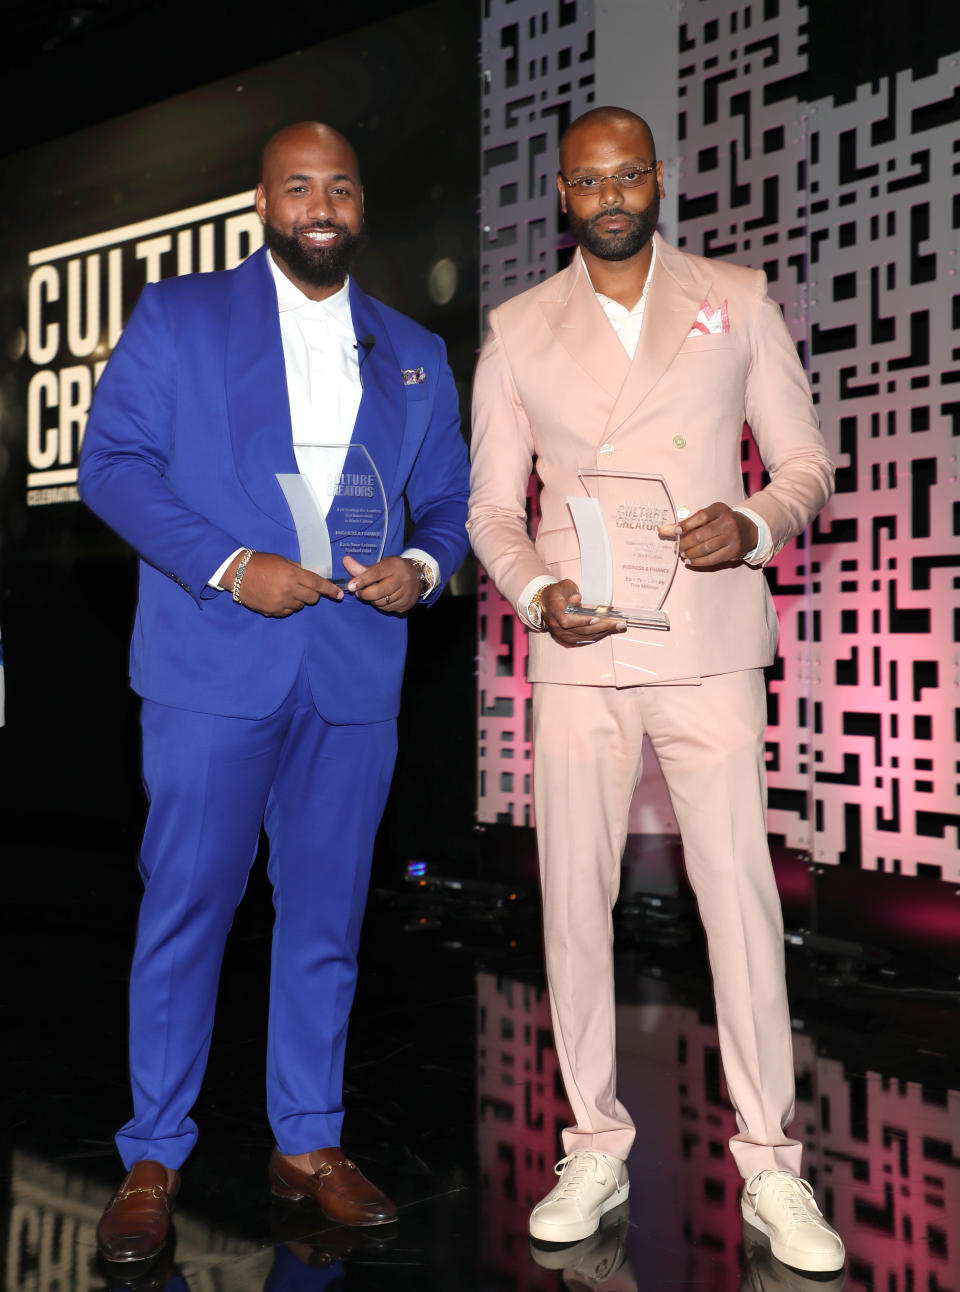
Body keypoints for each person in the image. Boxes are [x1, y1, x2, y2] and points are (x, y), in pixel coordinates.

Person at [80, 121, 470, 1264]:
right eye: (299, 185)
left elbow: (446, 503)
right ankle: (153, 1152)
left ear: (359, 204)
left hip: (353, 674)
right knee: (187, 908)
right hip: (213, 661)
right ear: (263, 202)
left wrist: (426, 568)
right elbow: (111, 465)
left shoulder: (412, 350)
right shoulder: (181, 317)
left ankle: (308, 1140)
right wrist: (229, 562)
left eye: (340, 186)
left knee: (326, 922)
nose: (321, 204)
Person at [467, 107, 843, 1275]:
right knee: (573, 904)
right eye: (591, 180)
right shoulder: (519, 328)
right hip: (580, 642)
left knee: (738, 901)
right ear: (565, 196)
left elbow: (806, 464)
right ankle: (592, 1144)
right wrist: (535, 592)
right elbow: (491, 507)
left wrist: (756, 519)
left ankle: (774, 1162)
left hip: (711, 638)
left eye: (631, 172)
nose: (614, 192)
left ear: (659, 178)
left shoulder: (736, 295)